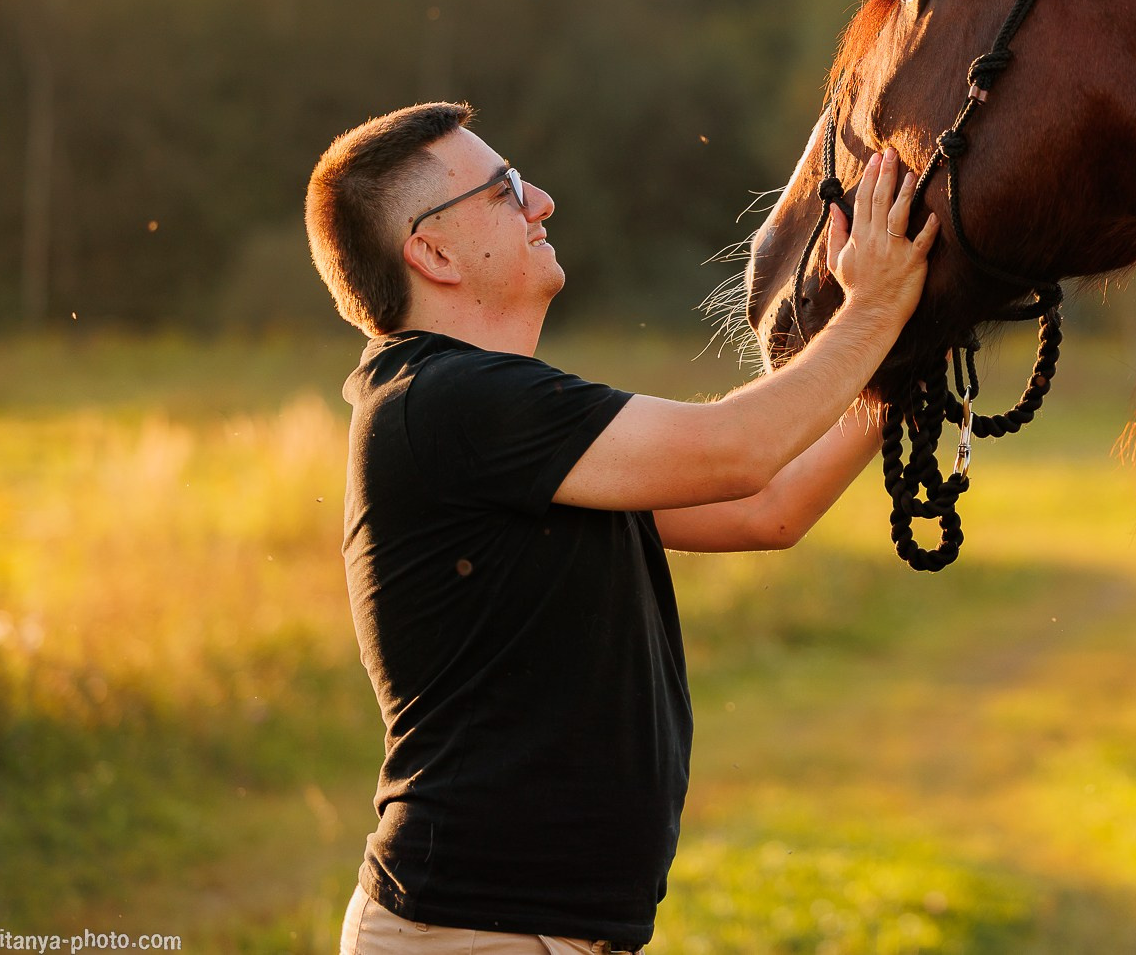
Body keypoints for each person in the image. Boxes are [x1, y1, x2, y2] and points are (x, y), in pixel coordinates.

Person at [303, 101, 933, 955]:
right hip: (472, 934)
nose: (543, 202)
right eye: (506, 189)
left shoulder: (489, 412)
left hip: (526, 931)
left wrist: (912, 352)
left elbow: (766, 504)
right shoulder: (443, 402)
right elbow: (737, 452)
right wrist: (874, 311)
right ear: (433, 251)